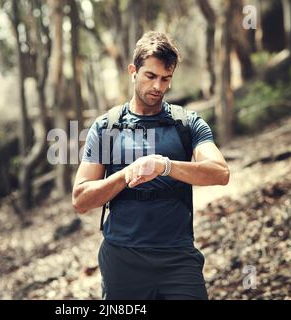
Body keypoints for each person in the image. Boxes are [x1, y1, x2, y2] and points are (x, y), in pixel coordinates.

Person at [72, 31, 230, 300]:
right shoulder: (106, 127)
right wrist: (125, 175)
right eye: (150, 76)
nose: (158, 86)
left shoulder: (186, 123)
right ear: (133, 71)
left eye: (165, 79)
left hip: (178, 258)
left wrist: (164, 166)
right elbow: (81, 199)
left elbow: (220, 173)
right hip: (123, 260)